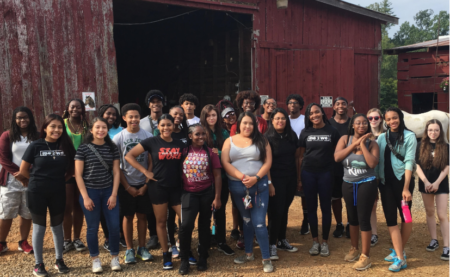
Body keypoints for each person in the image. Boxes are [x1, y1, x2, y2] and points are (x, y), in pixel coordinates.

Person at [125, 114, 185, 270]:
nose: (166, 128)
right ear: (158, 126)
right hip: (158, 187)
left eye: (169, 125)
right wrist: (145, 172)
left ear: (173, 126)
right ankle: (166, 254)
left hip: (176, 188)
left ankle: (184, 250)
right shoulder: (152, 141)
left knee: (185, 219)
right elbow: (129, 155)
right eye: (163, 125)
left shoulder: (179, 143)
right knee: (161, 221)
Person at [18, 114, 75, 276]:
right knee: (39, 227)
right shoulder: (36, 145)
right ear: (45, 128)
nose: (56, 130)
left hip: (58, 191)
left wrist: (58, 180)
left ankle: (59, 260)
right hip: (37, 192)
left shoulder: (65, 146)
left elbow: (71, 170)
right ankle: (38, 264)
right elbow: (23, 170)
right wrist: (37, 181)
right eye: (53, 126)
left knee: (57, 226)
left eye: (59, 127)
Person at [222, 111, 274, 273]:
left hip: (259, 187)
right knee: (246, 221)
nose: (248, 126)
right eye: (245, 123)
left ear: (256, 125)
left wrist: (256, 178)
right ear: (238, 124)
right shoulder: (229, 141)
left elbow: (268, 162)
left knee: (259, 222)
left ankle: (266, 259)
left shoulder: (262, 140)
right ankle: (249, 254)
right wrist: (242, 176)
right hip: (238, 187)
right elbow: (225, 162)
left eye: (251, 123)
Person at [74, 117, 122, 273]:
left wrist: (114, 194)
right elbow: (78, 175)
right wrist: (85, 197)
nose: (101, 130)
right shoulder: (83, 149)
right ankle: (95, 259)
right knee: (92, 227)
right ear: (91, 130)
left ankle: (115, 257)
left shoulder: (112, 147)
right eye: (98, 127)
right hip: (90, 191)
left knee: (114, 226)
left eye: (104, 127)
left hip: (109, 190)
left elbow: (116, 171)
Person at [334, 114, 379, 270]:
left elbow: (372, 163)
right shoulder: (345, 139)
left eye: (364, 123)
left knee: (363, 219)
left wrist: (363, 144)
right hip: (348, 183)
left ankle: (365, 256)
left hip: (367, 183)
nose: (362, 125)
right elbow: (337, 157)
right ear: (352, 125)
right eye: (358, 123)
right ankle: (354, 248)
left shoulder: (373, 143)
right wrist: (354, 145)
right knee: (352, 218)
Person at [178, 124, 223, 275]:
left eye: (203, 134)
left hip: (206, 194)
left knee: (204, 225)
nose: (201, 137)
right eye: (197, 134)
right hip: (188, 194)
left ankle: (203, 256)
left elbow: (217, 176)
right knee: (186, 226)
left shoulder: (211, 153)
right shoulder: (183, 151)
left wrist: (217, 197)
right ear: (190, 136)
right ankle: (184, 259)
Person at [376, 107, 417, 272]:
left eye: (395, 118)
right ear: (385, 121)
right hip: (385, 183)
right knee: (390, 219)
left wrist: (406, 188)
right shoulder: (381, 137)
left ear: (400, 118)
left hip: (402, 182)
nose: (392, 121)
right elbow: (377, 159)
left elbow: (409, 161)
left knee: (406, 217)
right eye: (389, 119)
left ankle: (400, 254)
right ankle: (399, 254)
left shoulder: (409, 136)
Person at [112, 103, 153, 264]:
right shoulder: (118, 138)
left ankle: (142, 248)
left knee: (143, 216)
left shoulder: (147, 136)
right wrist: (127, 187)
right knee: (128, 216)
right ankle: (130, 249)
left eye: (136, 116)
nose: (134, 119)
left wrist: (146, 184)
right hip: (126, 183)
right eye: (130, 116)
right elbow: (117, 165)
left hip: (144, 183)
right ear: (124, 118)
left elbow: (151, 162)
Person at [298, 103, 340, 257]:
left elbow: (338, 153)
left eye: (317, 112)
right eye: (311, 114)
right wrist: (299, 178)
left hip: (326, 174)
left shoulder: (332, 131)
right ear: (308, 117)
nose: (314, 115)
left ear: (322, 113)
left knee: (325, 207)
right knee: (311, 208)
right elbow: (301, 156)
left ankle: (325, 242)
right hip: (308, 173)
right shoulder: (305, 132)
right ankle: (315, 241)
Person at [0, 107, 38, 255]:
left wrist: (28, 173)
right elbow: (3, 158)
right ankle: (2, 243)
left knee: (27, 212)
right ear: (14, 120)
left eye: (26, 117)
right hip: (11, 180)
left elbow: (39, 156)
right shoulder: (7, 136)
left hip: (31, 179)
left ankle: (23, 242)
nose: (23, 120)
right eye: (19, 118)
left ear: (30, 119)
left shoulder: (37, 136)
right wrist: (20, 174)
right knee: (6, 212)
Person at [265, 108, 300, 260]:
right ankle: (272, 244)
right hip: (275, 179)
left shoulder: (291, 136)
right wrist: (270, 183)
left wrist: (298, 179)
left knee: (284, 209)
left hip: (290, 179)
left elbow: (297, 157)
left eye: (283, 118)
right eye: (277, 118)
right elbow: (265, 163)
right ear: (272, 121)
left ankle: (282, 240)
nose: (280, 121)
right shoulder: (267, 138)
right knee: (275, 212)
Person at [154, 105, 189, 257]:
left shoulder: (184, 134)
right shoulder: (158, 137)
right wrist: (146, 172)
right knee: (167, 218)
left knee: (184, 217)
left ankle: (182, 243)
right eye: (175, 114)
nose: (178, 117)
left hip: (179, 182)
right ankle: (170, 244)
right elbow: (152, 156)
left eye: (181, 115)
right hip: (161, 184)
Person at [199, 105, 234, 256]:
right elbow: (200, 152)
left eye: (214, 115)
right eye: (208, 116)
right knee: (205, 210)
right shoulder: (200, 132)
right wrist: (216, 153)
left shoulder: (224, 132)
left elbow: (229, 152)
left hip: (223, 177)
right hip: (205, 177)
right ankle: (205, 240)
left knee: (220, 209)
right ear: (204, 118)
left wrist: (217, 152)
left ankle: (221, 241)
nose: (211, 118)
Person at [416, 119, 449, 261]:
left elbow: (447, 166)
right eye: (430, 130)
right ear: (426, 131)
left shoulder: (446, 146)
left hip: (440, 184)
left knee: (442, 215)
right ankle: (434, 240)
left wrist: (436, 183)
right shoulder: (420, 145)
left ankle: (447, 246)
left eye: (436, 130)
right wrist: (426, 182)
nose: (433, 133)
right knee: (429, 212)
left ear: (440, 131)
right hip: (425, 183)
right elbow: (417, 165)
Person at [61, 99, 89, 252]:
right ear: (68, 108)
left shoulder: (86, 125)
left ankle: (77, 239)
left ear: (82, 109)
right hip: (66, 169)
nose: (75, 109)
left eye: (78, 107)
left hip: (83, 169)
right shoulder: (63, 123)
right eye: (72, 107)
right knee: (67, 206)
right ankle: (66, 240)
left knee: (79, 205)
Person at [138, 90, 163, 250]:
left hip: (165, 166)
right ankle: (153, 234)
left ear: (162, 103)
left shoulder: (168, 120)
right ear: (149, 105)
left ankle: (168, 233)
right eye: (152, 102)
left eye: (158, 101)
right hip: (149, 167)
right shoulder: (141, 123)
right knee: (151, 203)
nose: (156, 104)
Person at [98, 104, 125, 249]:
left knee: (119, 206)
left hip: (119, 172)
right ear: (102, 114)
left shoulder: (121, 130)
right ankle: (108, 236)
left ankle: (120, 234)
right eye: (108, 113)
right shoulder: (98, 130)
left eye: (114, 114)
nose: (111, 116)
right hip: (101, 174)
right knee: (104, 206)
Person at [216, 100, 243, 245]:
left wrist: (218, 152)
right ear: (223, 118)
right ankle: (217, 232)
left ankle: (236, 228)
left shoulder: (239, 128)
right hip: (221, 171)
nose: (231, 116)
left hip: (236, 169)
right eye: (227, 115)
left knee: (236, 201)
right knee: (218, 204)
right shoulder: (221, 131)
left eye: (232, 113)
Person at [285, 94, 309, 235]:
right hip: (288, 158)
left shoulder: (305, 120)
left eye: (295, 103)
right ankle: (284, 221)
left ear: (300, 105)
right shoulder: (285, 120)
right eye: (290, 102)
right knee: (288, 192)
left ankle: (306, 220)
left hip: (303, 158)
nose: (292, 105)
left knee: (304, 193)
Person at [329, 97, 351, 239]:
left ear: (347, 106)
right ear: (333, 107)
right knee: (335, 197)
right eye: (338, 104)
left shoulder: (353, 123)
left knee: (349, 198)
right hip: (333, 166)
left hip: (350, 166)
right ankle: (339, 224)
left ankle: (350, 224)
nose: (341, 106)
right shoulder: (328, 124)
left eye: (344, 103)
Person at [367, 108, 385, 247]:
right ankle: (374, 233)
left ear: (381, 119)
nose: (373, 120)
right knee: (372, 205)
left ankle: (395, 229)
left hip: (385, 174)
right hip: (371, 174)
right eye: (370, 118)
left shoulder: (387, 134)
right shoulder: (365, 136)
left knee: (389, 204)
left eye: (376, 118)